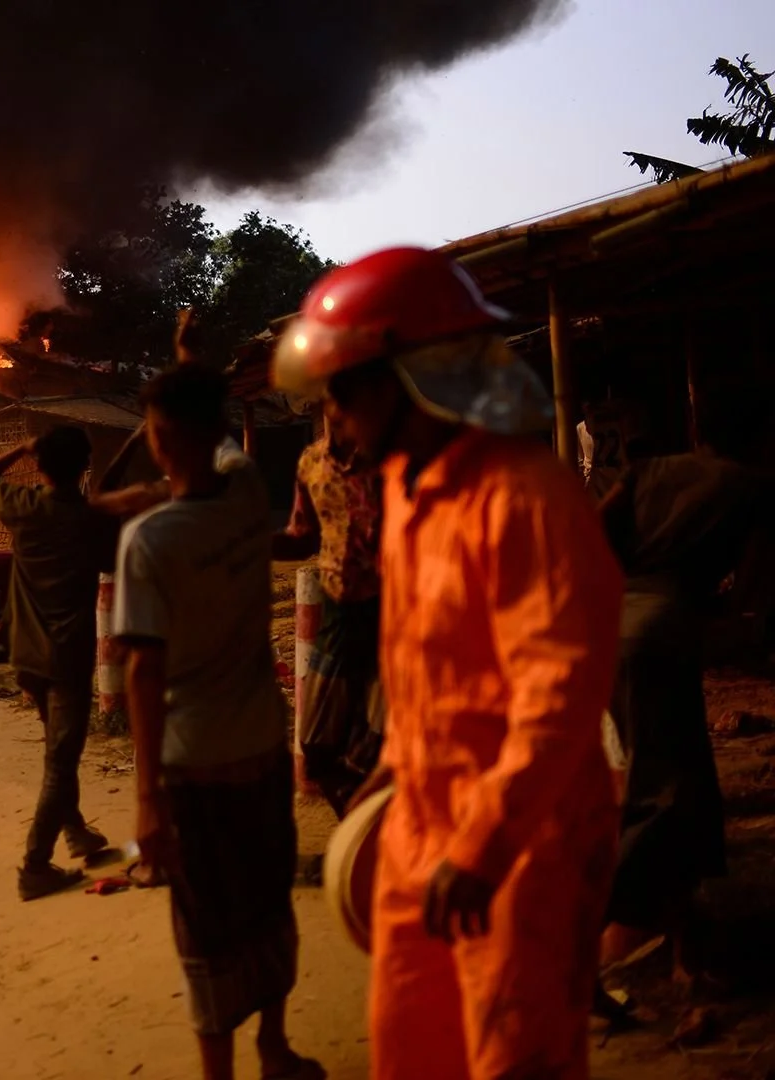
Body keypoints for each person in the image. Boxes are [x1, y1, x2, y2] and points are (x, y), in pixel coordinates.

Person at [273, 247, 621, 1080]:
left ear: (416, 377)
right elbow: (424, 668)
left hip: (522, 839)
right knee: (415, 1042)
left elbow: (559, 693)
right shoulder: (409, 491)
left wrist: (484, 845)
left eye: (346, 389)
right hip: (421, 821)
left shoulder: (525, 496)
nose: (333, 414)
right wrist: (394, 773)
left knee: (513, 1053)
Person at [113, 363, 320, 1080]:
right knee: (267, 904)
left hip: (194, 766)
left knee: (205, 927)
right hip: (262, 746)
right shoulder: (249, 494)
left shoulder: (149, 541)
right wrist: (188, 360)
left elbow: (143, 672)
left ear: (159, 439)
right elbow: (227, 451)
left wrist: (147, 800)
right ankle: (275, 1048)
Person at [597, 421, 765, 989]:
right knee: (666, 793)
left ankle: (684, 940)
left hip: (609, 622)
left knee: (676, 783)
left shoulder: (649, 470)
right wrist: (709, 615)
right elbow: (750, 590)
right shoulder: (752, 486)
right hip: (662, 627)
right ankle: (587, 924)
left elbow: (594, 532)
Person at [0, 426, 125, 900]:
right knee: (61, 760)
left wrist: (20, 447)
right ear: (84, 467)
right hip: (66, 656)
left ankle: (75, 831)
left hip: (25, 652)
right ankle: (35, 866)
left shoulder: (23, 505)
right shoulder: (89, 520)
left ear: (39, 466)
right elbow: (112, 560)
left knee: (57, 746)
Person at [272, 418, 386, 816]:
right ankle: (360, 829)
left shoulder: (392, 458)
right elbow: (302, 537)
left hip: (389, 615)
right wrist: (248, 541)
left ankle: (376, 835)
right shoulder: (312, 462)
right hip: (337, 616)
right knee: (317, 748)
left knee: (379, 746)